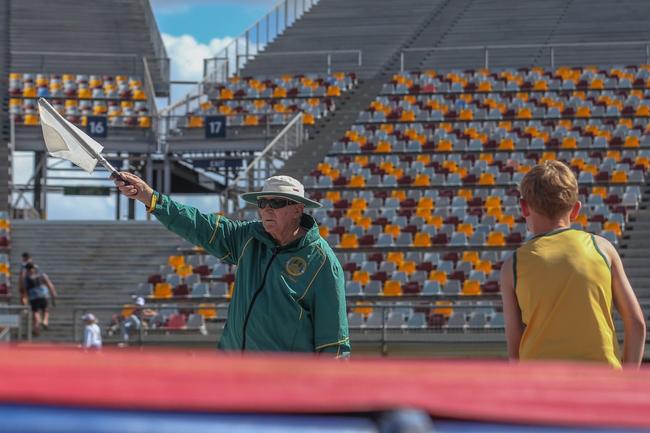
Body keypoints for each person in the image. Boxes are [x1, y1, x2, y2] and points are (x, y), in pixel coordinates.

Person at [115, 173, 350, 357]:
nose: (267, 208)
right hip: (233, 371)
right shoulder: (248, 236)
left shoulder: (322, 262)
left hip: (284, 385)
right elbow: (199, 225)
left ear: (298, 209)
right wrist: (150, 197)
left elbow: (334, 342)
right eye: (262, 202)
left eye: (277, 202)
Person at [500, 160, 646, 368]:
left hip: (542, 385)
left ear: (524, 207)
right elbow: (637, 323)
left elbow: (514, 342)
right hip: (602, 382)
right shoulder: (602, 249)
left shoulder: (512, 265)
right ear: (576, 209)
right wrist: (627, 381)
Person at [22, 262, 58, 335]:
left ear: (27, 270)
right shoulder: (42, 275)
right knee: (45, 310)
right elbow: (50, 285)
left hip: (33, 297)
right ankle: (45, 321)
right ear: (34, 268)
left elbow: (25, 291)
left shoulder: (26, 279)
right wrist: (53, 294)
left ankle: (36, 326)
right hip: (43, 295)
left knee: (36, 312)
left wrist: (25, 302)